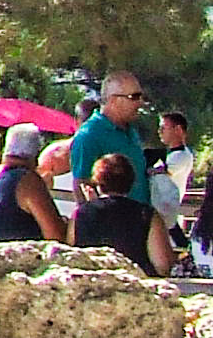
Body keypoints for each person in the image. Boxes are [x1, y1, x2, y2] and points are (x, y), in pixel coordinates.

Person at [71, 154, 176, 273]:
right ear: (131, 182)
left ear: (98, 183)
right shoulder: (147, 215)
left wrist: (91, 205)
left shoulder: (80, 214)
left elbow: (70, 254)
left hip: (91, 285)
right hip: (135, 284)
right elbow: (162, 265)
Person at [67, 72, 152, 203]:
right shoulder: (89, 135)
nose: (140, 103)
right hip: (113, 221)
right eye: (134, 97)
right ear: (113, 100)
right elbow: (82, 185)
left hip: (141, 219)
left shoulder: (131, 132)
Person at [158, 111, 197, 202]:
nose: (160, 132)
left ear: (178, 130)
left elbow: (156, 174)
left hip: (165, 210)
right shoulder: (171, 155)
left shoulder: (181, 156)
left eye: (163, 128)